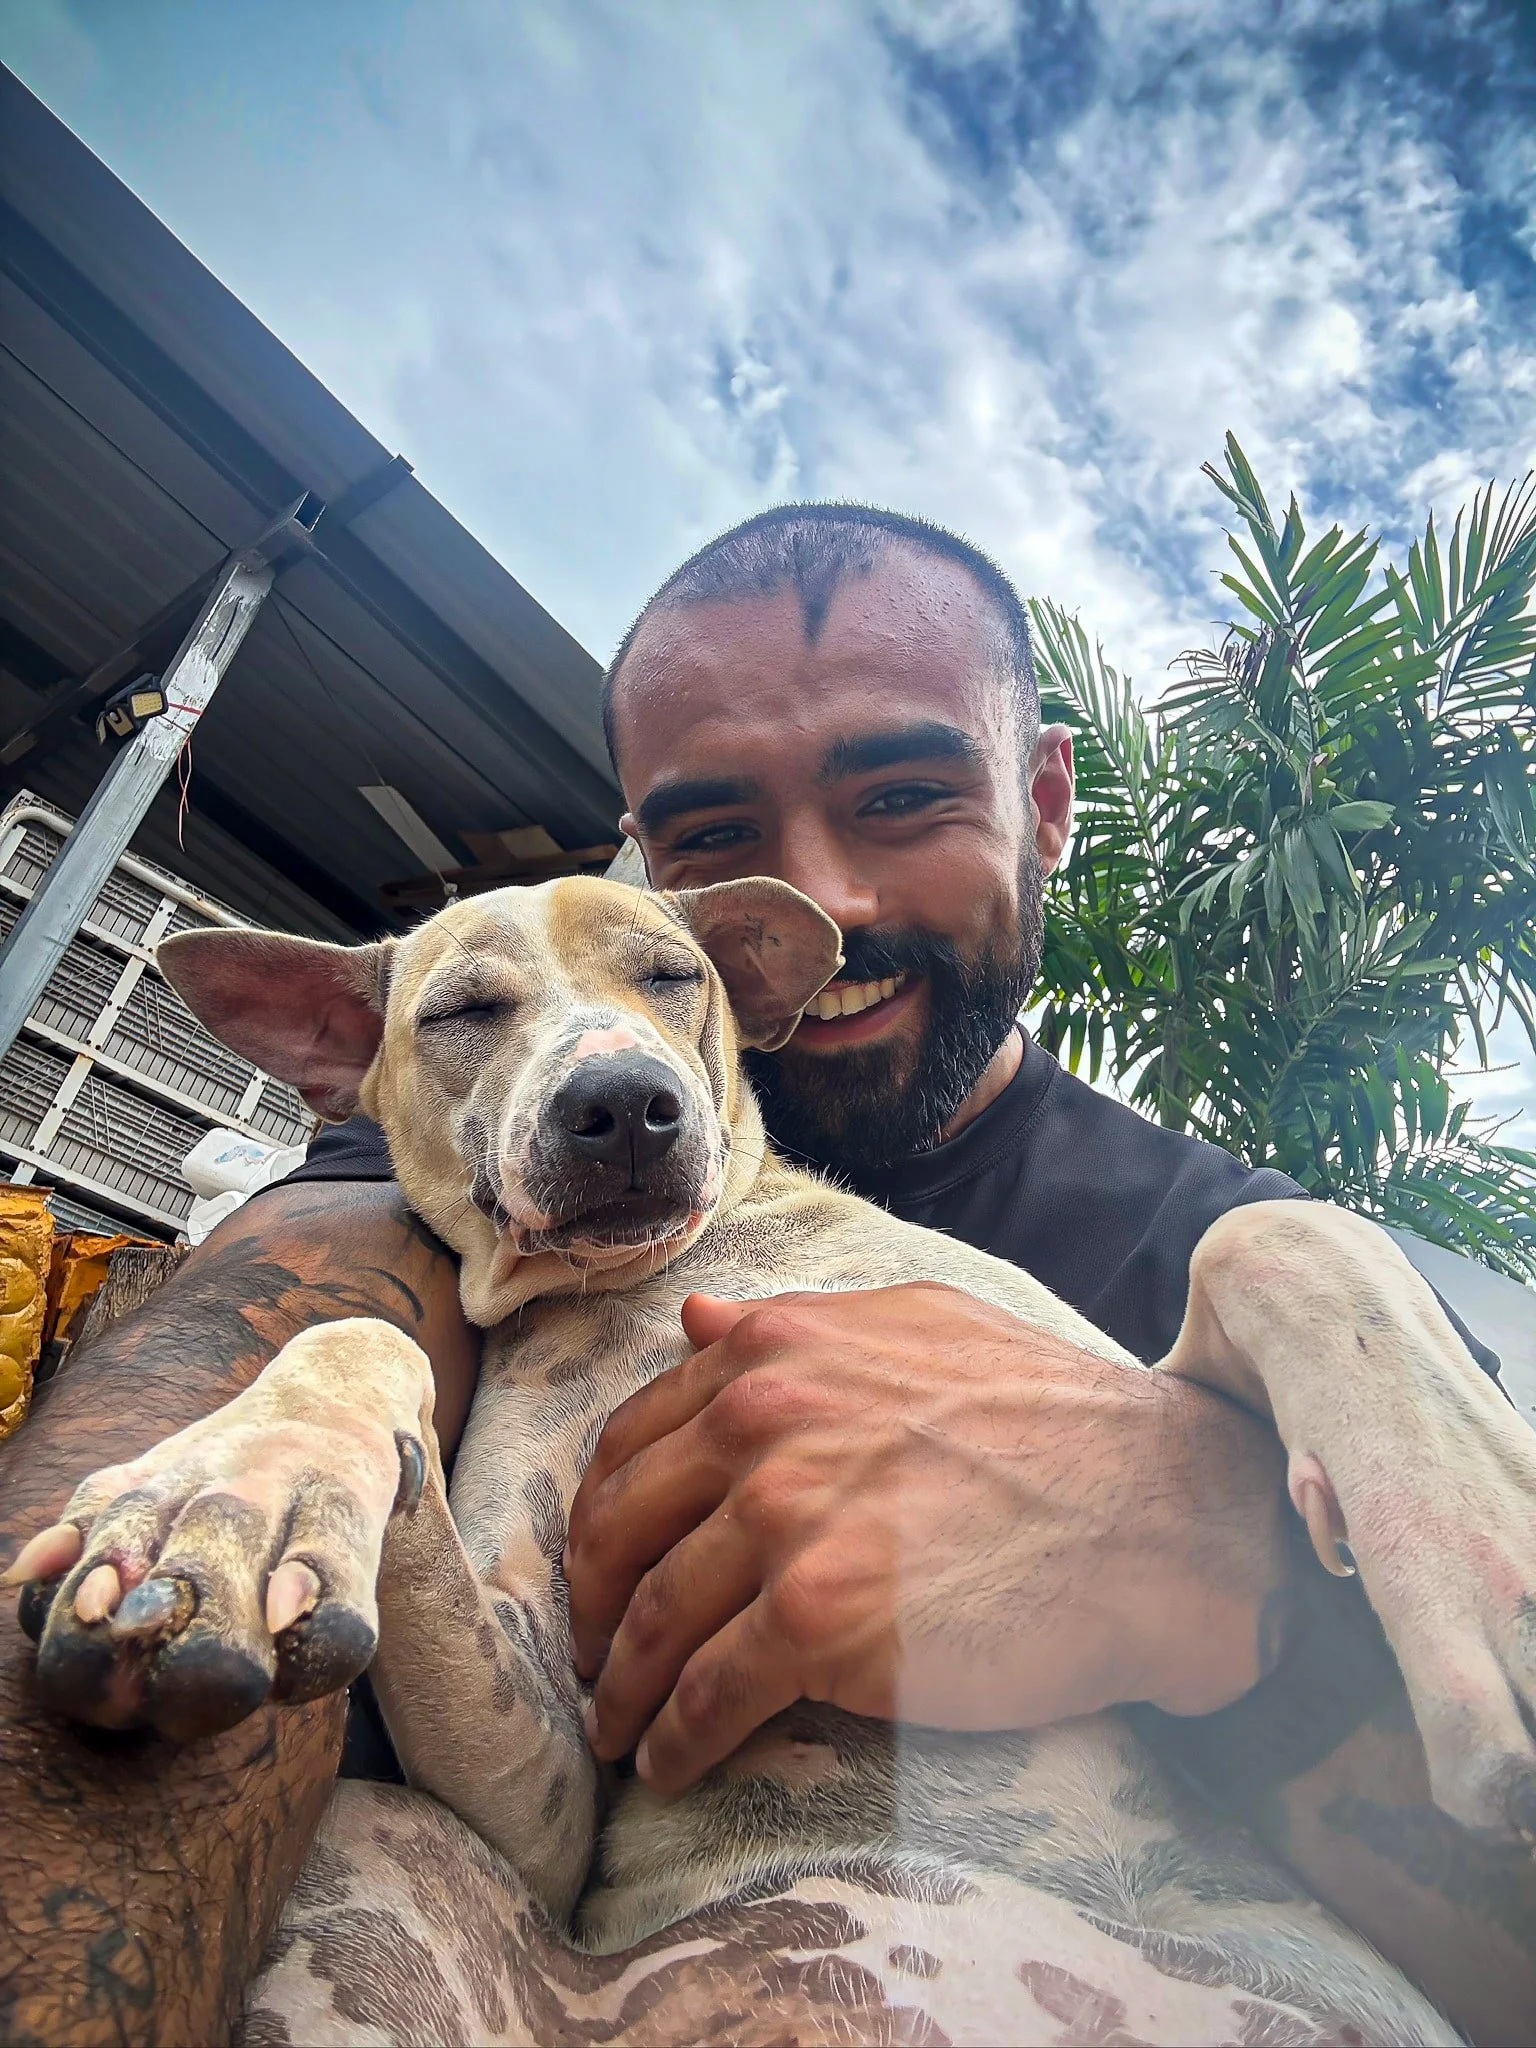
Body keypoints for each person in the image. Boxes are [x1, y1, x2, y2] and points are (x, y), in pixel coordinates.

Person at [0, 504, 1530, 2047]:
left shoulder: (1201, 1225)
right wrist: (339, 1394)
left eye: (906, 792)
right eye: (716, 830)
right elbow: (526, 1819)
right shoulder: (434, 1200)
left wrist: (1232, 1557)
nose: (834, 904)